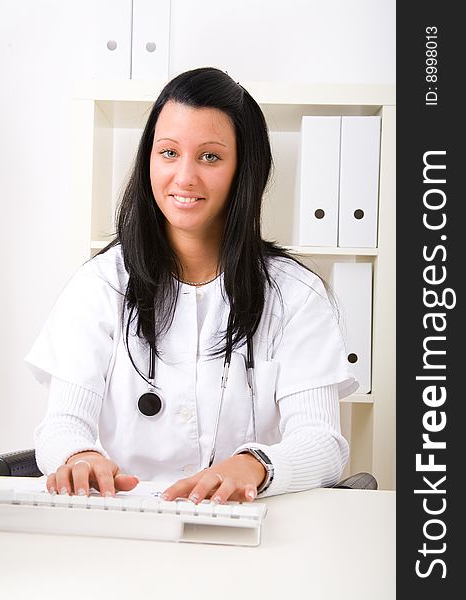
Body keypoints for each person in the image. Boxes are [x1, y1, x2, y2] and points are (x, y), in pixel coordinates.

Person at [25, 67, 357, 505]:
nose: (183, 177)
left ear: (245, 169)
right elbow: (61, 424)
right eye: (168, 153)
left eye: (210, 157)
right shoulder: (101, 284)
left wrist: (256, 464)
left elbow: (323, 444)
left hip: (248, 528)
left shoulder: (295, 294)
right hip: (127, 528)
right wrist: (79, 455)